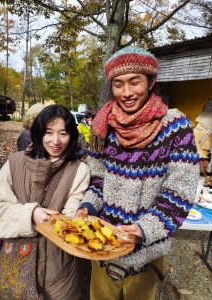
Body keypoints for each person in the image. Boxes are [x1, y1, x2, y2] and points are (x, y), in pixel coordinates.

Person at [76, 46, 200, 300]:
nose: (127, 92)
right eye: (118, 84)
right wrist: (89, 204)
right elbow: (98, 178)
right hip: (103, 245)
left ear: (151, 81)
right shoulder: (103, 125)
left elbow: (180, 192)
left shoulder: (174, 126)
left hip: (146, 252)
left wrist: (143, 230)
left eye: (135, 82)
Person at [0, 105, 90, 300]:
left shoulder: (79, 170)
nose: (56, 141)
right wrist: (30, 215)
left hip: (58, 271)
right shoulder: (15, 162)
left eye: (63, 133)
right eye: (49, 133)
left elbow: (71, 222)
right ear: (38, 132)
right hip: (12, 266)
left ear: (72, 136)